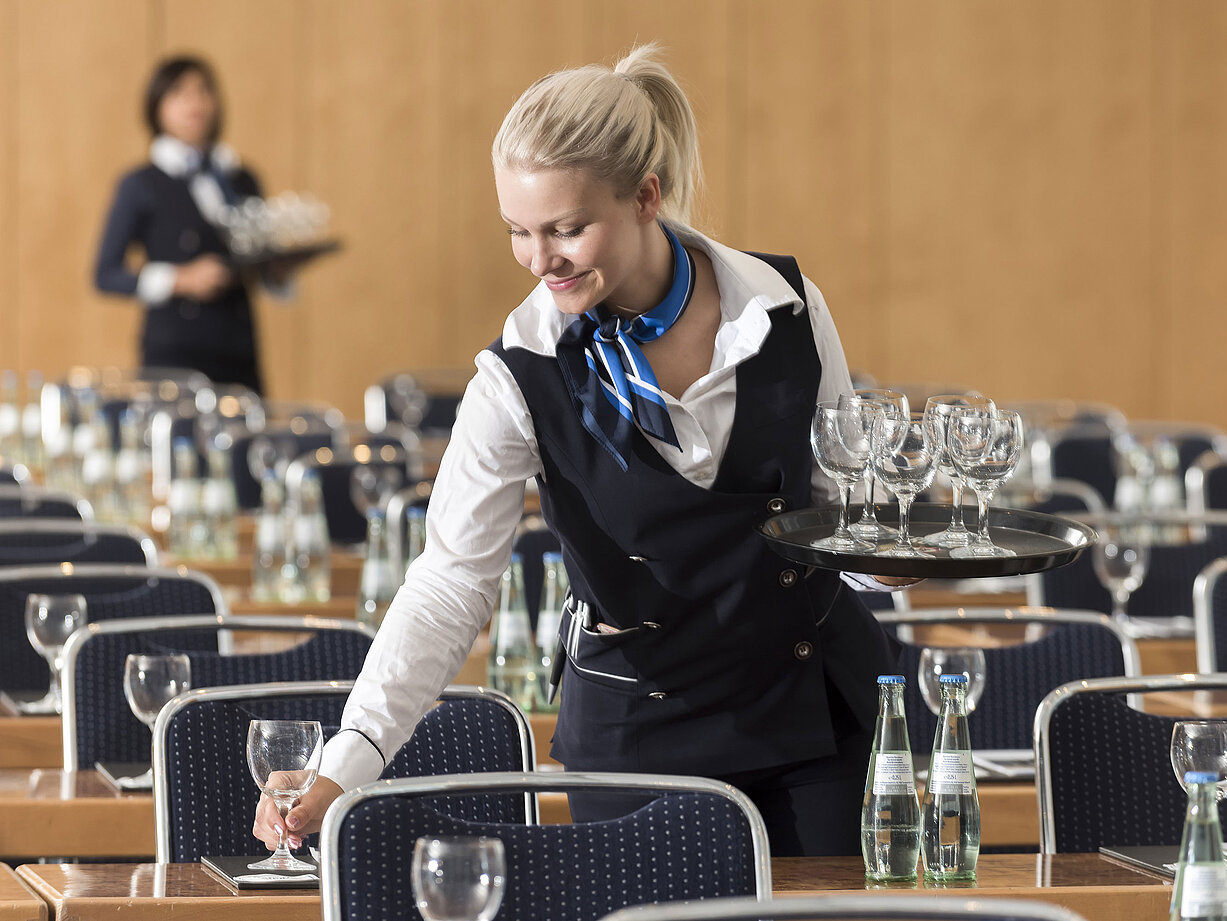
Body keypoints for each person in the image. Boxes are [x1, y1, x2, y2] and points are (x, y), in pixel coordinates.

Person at [252, 43, 899, 857]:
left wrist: (892, 554)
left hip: (819, 715)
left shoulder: (786, 307)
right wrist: (348, 761)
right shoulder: (517, 374)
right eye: (518, 231)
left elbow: (841, 509)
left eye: (566, 228)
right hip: (642, 735)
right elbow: (451, 581)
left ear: (646, 197)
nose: (538, 258)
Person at [94, 55, 288, 393]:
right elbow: (105, 274)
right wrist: (180, 279)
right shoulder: (141, 183)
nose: (194, 103)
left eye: (203, 91)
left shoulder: (241, 178)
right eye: (179, 93)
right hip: (175, 353)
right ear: (156, 106)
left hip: (237, 350)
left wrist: (281, 268)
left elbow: (262, 263)